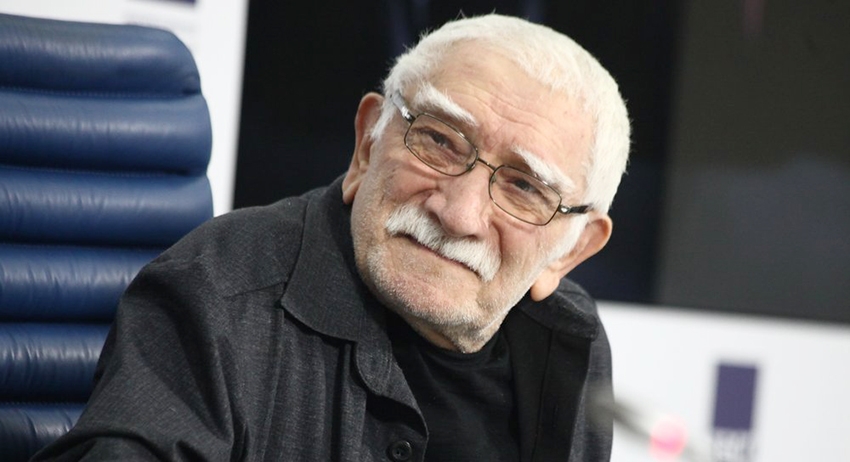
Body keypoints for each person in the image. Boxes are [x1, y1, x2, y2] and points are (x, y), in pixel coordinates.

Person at [34, 13, 630, 462]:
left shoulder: (569, 343)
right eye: (440, 141)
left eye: (525, 187)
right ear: (368, 143)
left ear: (572, 249)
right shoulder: (218, 297)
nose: (459, 214)